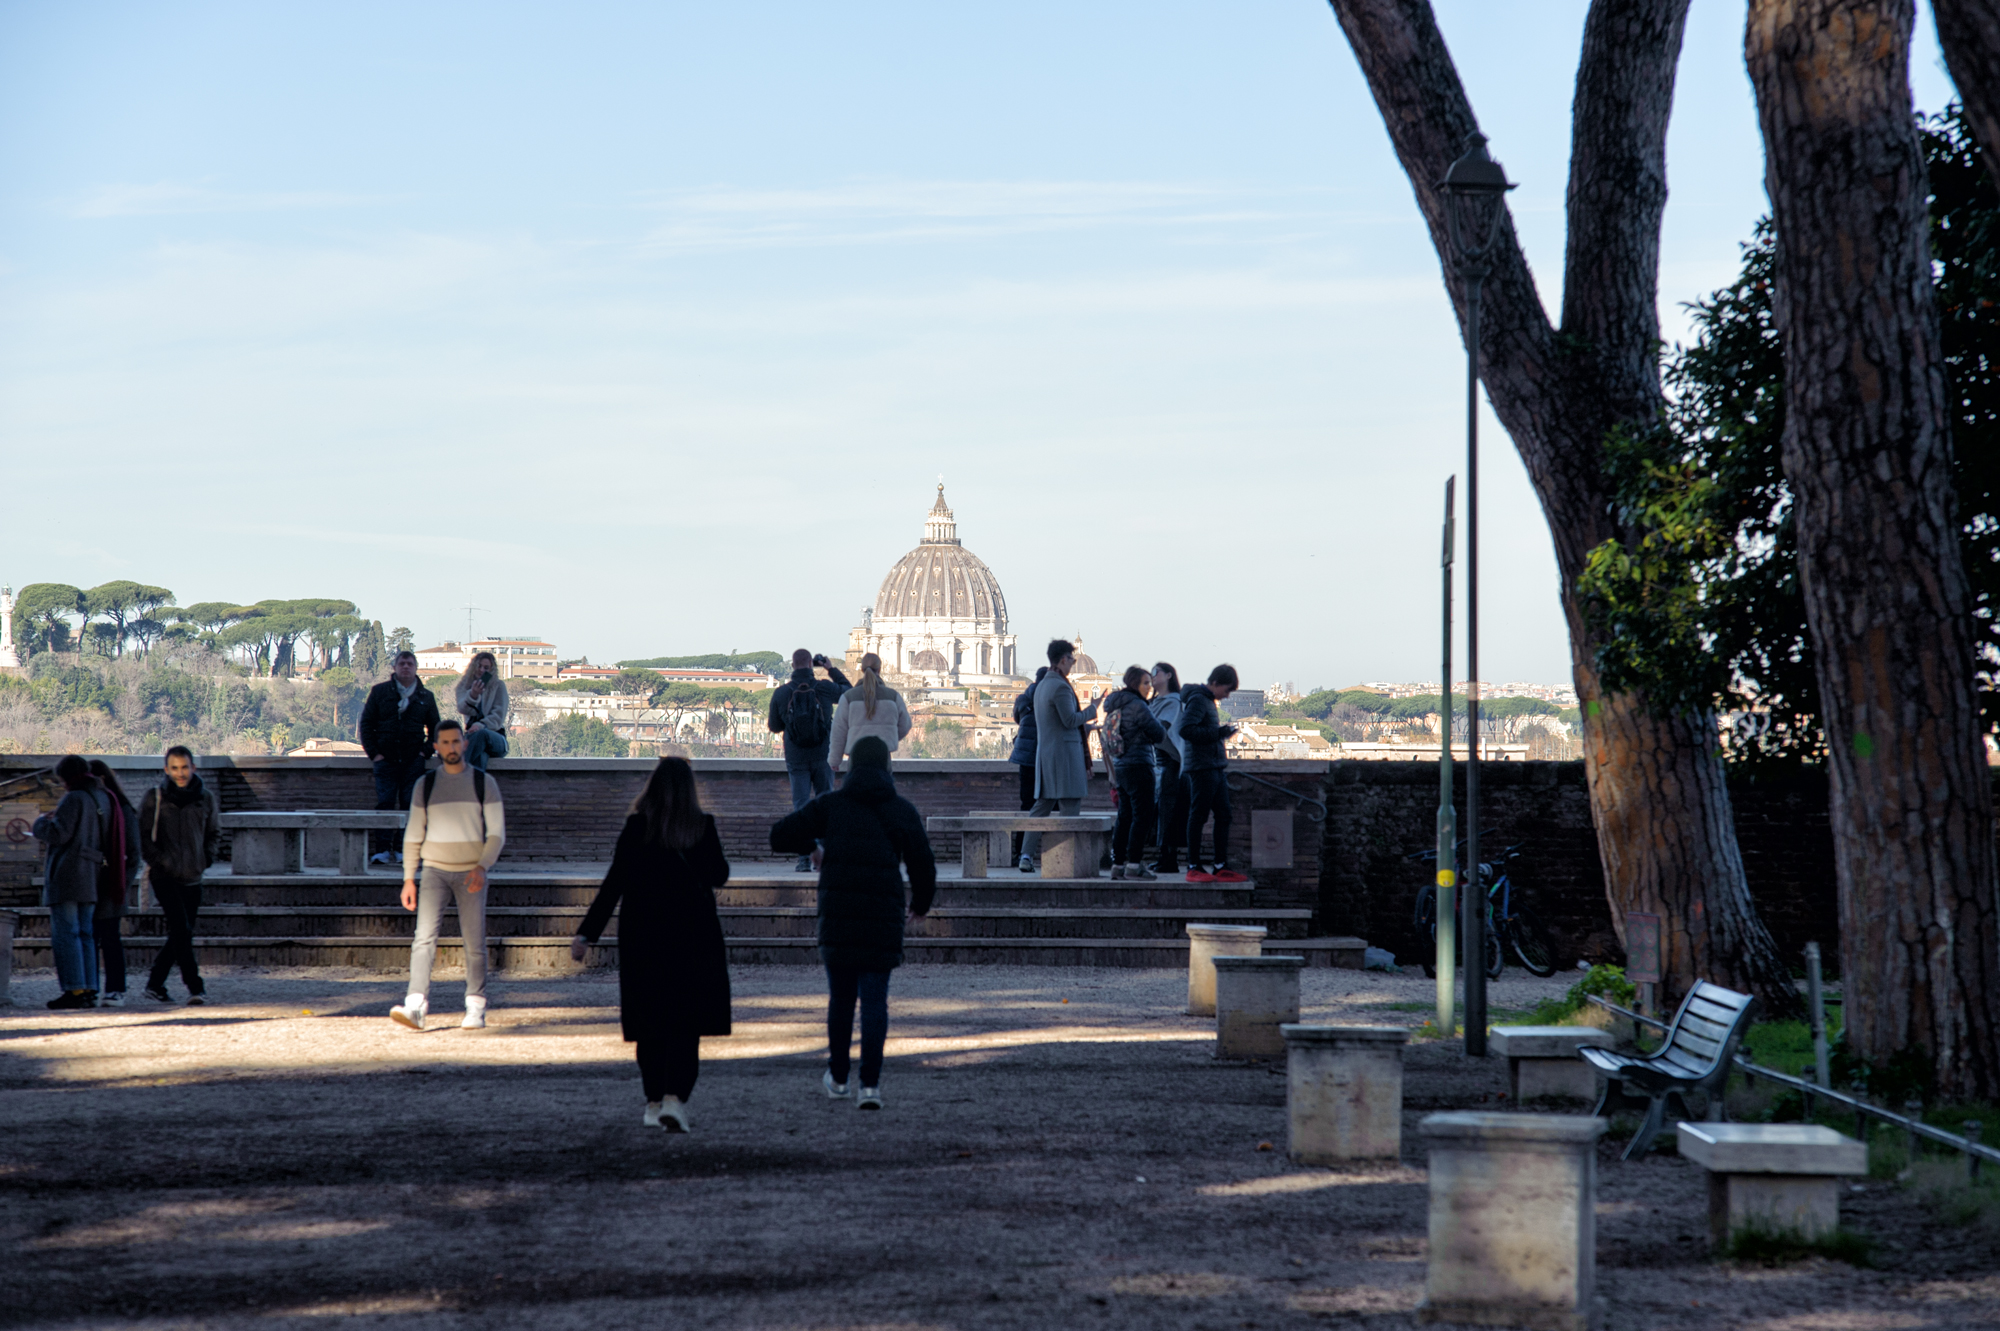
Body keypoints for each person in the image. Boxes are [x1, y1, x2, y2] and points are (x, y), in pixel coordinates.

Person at [770, 736, 935, 1109]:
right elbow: (923, 863)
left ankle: (840, 1076)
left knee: (841, 1001)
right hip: (883, 916)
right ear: (887, 767)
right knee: (875, 1002)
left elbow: (779, 834)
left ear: (850, 767)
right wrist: (921, 905)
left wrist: (812, 849)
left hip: (839, 915)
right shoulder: (901, 810)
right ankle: (871, 1085)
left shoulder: (832, 805)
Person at [569, 757, 731, 1133]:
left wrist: (586, 933)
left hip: (644, 938)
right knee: (686, 1024)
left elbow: (613, 886)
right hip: (694, 938)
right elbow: (719, 875)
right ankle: (675, 1097)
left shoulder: (635, 828)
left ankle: (653, 1099)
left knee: (650, 1023)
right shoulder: (702, 827)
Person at [390, 721, 506, 1031]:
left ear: (465, 744)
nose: (452, 747)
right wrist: (408, 879)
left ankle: (475, 1006)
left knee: (474, 941)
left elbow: (496, 833)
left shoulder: (485, 783)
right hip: (434, 871)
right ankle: (415, 1004)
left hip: (471, 871)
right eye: (446, 742)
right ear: (436, 746)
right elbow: (413, 834)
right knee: (423, 938)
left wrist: (482, 865)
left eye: (457, 741)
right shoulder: (424, 786)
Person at [138, 746, 221, 1005]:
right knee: (182, 930)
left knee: (180, 933)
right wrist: (160, 861)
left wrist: (206, 859)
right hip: (165, 876)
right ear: (166, 769)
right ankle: (196, 988)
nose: (180, 773)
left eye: (184, 767)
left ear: (193, 768)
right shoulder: (155, 797)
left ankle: (155, 984)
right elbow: (142, 836)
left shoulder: (205, 798)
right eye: (174, 768)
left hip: (193, 875)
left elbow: (214, 833)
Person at [766, 648, 850, 871]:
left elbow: (774, 726)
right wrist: (831, 669)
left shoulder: (782, 693)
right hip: (824, 755)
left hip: (796, 758)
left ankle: (805, 859)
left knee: (801, 807)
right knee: (825, 805)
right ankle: (823, 858)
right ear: (811, 665)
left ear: (793, 666)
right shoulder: (823, 687)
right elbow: (849, 692)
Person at [1020, 640, 1099, 872]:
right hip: (1065, 758)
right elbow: (1070, 720)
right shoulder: (1061, 687)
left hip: (1046, 757)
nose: (1074, 663)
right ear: (1063, 659)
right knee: (1070, 807)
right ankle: (1066, 860)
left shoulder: (1043, 684)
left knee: (1041, 807)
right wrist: (1093, 708)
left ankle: (1026, 855)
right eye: (1072, 659)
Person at [32, 755, 102, 1009]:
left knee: (67, 934)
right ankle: (89, 988)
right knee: (86, 934)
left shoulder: (74, 799)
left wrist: (41, 822)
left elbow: (59, 834)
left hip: (68, 875)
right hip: (90, 875)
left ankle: (73, 989)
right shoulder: (98, 797)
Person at [359, 650, 441, 864]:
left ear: (415, 668)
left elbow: (436, 728)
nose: (406, 667)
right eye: (402, 663)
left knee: (409, 804)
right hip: (385, 759)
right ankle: (383, 850)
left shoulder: (426, 697)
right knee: (385, 803)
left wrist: (425, 752)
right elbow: (367, 723)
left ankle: (404, 849)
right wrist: (374, 753)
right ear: (394, 668)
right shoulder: (380, 692)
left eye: (410, 664)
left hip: (413, 760)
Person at [1181, 664, 1247, 883]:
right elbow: (1186, 730)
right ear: (1216, 683)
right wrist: (1219, 733)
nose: (1227, 696)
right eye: (1227, 690)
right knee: (1199, 815)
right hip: (1202, 767)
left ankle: (1219, 865)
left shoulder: (1206, 700)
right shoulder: (1199, 699)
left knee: (1224, 815)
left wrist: (1220, 734)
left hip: (1213, 765)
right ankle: (1194, 866)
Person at [1099, 666, 1167, 880]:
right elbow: (1158, 734)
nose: (1149, 687)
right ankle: (1134, 864)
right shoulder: (1138, 705)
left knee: (1124, 817)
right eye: (1146, 683)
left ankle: (1117, 865)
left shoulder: (1115, 704)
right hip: (1139, 765)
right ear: (1135, 684)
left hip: (1121, 767)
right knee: (1142, 817)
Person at [87, 760, 142, 1007]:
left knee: (109, 937)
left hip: (110, 882)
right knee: (94, 937)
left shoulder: (122, 809)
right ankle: (92, 987)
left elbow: (133, 853)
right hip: (90, 881)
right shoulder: (91, 806)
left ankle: (115, 988)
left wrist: (122, 882)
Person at [827, 653, 913, 774]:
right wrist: (889, 739)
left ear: (861, 669)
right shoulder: (893, 696)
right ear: (880, 669)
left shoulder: (848, 697)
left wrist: (834, 760)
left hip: (856, 754)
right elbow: (905, 725)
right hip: (882, 753)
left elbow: (838, 732)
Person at [1147, 662, 1189, 875]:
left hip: (1171, 763)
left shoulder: (1173, 702)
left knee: (1168, 812)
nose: (1152, 676)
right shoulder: (1157, 702)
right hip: (1160, 762)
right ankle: (1165, 857)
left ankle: (1168, 858)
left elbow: (1158, 729)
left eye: (1156, 672)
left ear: (1169, 675)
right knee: (1163, 812)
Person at [1006, 665, 1049, 870]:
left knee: (1027, 805)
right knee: (1051, 806)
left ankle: (1020, 853)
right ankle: (1049, 854)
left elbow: (1017, 718)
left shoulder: (1023, 698)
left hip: (1024, 757)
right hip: (1044, 757)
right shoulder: (1048, 697)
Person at [454, 651, 510, 771]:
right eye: (479, 666)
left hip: (495, 737)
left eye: (486, 668)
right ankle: (475, 787)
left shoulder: (499, 686)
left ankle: (458, 773)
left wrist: (481, 725)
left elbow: (498, 717)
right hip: (473, 738)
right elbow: (462, 708)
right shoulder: (464, 686)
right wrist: (473, 695)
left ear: (491, 670)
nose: (481, 670)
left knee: (481, 735)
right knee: (480, 757)